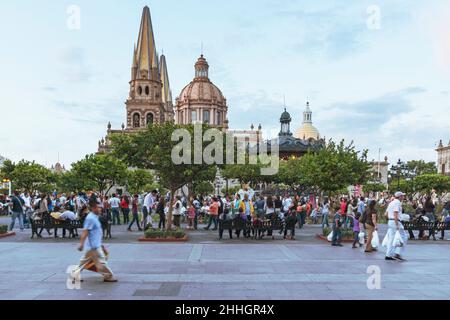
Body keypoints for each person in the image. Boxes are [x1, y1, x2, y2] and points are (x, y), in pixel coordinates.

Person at [77, 199, 117, 282]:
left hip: (95, 245)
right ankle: (108, 276)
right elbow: (85, 231)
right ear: (93, 208)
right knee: (102, 261)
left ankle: (74, 275)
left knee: (83, 262)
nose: (100, 209)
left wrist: (101, 245)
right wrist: (81, 243)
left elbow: (96, 233)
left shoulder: (94, 217)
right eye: (98, 207)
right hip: (92, 246)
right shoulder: (90, 218)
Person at [385, 192, 408, 261]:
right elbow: (395, 213)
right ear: (400, 196)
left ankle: (388, 255)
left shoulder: (391, 203)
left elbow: (385, 214)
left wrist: (390, 220)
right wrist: (396, 224)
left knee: (391, 239)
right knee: (404, 237)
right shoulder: (397, 203)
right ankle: (397, 253)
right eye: (402, 196)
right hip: (396, 221)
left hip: (390, 221)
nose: (403, 197)